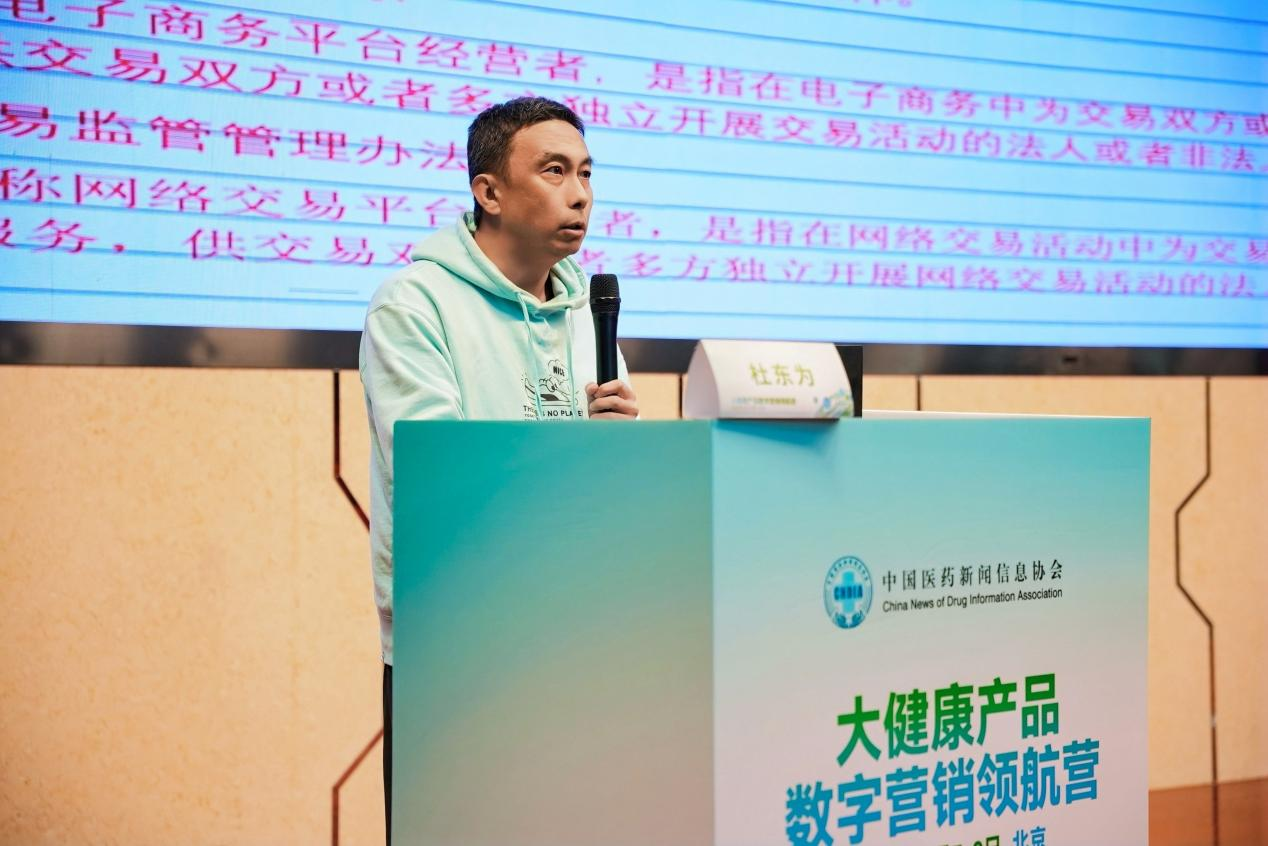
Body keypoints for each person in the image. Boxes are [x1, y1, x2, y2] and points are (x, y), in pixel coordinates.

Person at [358, 96, 639, 841]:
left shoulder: (587, 317)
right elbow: (441, 477)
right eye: (554, 171)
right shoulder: (414, 307)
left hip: (578, 640)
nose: (579, 194)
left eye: (586, 173)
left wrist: (622, 455)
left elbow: (606, 497)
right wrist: (575, 457)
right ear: (488, 191)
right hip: (460, 649)